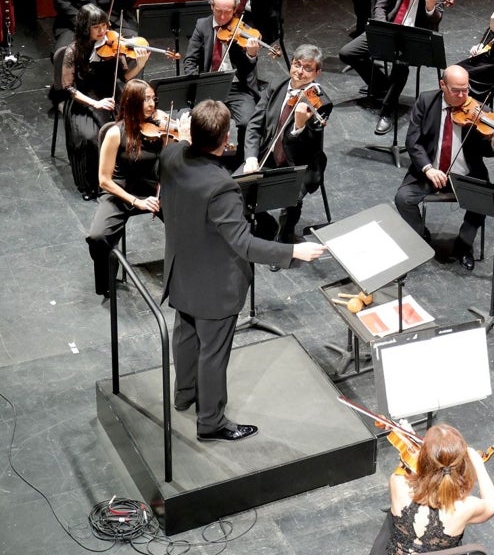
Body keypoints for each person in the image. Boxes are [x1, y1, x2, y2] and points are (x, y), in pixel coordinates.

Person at [159, 99, 325, 441]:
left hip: (180, 269)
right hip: (214, 284)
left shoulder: (171, 155)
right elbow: (244, 244)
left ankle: (184, 394)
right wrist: (294, 250)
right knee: (213, 354)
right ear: (225, 138)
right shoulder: (222, 187)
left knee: (185, 335)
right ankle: (211, 422)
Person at [393, 65, 494, 272]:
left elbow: (486, 150)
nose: (463, 95)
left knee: (482, 201)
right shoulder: (426, 101)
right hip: (431, 172)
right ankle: (421, 236)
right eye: (456, 90)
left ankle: (464, 246)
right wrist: (428, 169)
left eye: (466, 89)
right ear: (442, 85)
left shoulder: (479, 110)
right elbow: (413, 141)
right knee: (403, 199)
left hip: (466, 175)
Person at [338, 0, 446, 136]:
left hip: (413, 36)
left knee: (401, 66)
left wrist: (431, 7)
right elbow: (381, 4)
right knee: (347, 53)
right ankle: (381, 85)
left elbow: (435, 24)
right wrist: (381, 27)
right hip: (388, 29)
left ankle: (386, 111)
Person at [241, 44, 331, 243]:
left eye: (308, 68)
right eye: (297, 65)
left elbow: (309, 149)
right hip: (270, 155)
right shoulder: (276, 86)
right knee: (237, 185)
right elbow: (254, 125)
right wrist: (251, 158)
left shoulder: (321, 103)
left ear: (317, 73)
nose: (300, 72)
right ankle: (261, 225)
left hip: (300, 163)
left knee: (292, 199)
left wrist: (298, 127)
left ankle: (283, 238)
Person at [369, 423, 494, 555]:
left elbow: (408, 467)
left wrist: (410, 440)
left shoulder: (397, 482)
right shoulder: (466, 507)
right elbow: (493, 506)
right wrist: (478, 464)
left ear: (423, 458)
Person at [62, 4, 150, 199]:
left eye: (105, 25)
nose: (103, 31)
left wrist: (140, 64)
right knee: (91, 137)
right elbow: (69, 88)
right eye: (96, 27)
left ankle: (123, 177)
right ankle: (92, 183)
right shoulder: (74, 51)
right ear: (86, 28)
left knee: (130, 129)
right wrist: (96, 104)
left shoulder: (114, 45)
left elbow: (126, 77)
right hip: (85, 100)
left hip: (111, 96)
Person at [85, 79, 163, 297]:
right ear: (131, 103)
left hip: (151, 188)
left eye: (152, 99)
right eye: (145, 99)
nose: (151, 104)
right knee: (98, 237)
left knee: (188, 220)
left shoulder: (158, 126)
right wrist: (135, 201)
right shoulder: (115, 133)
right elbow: (104, 180)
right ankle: (107, 279)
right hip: (119, 191)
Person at [182, 0, 263, 131]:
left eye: (228, 12)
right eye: (219, 11)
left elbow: (247, 69)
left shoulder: (242, 30)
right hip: (208, 84)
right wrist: (194, 85)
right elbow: (190, 60)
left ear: (235, 9)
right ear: (212, 6)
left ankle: (242, 154)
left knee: (248, 122)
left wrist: (251, 55)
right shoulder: (202, 26)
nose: (223, 17)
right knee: (204, 123)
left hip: (237, 86)